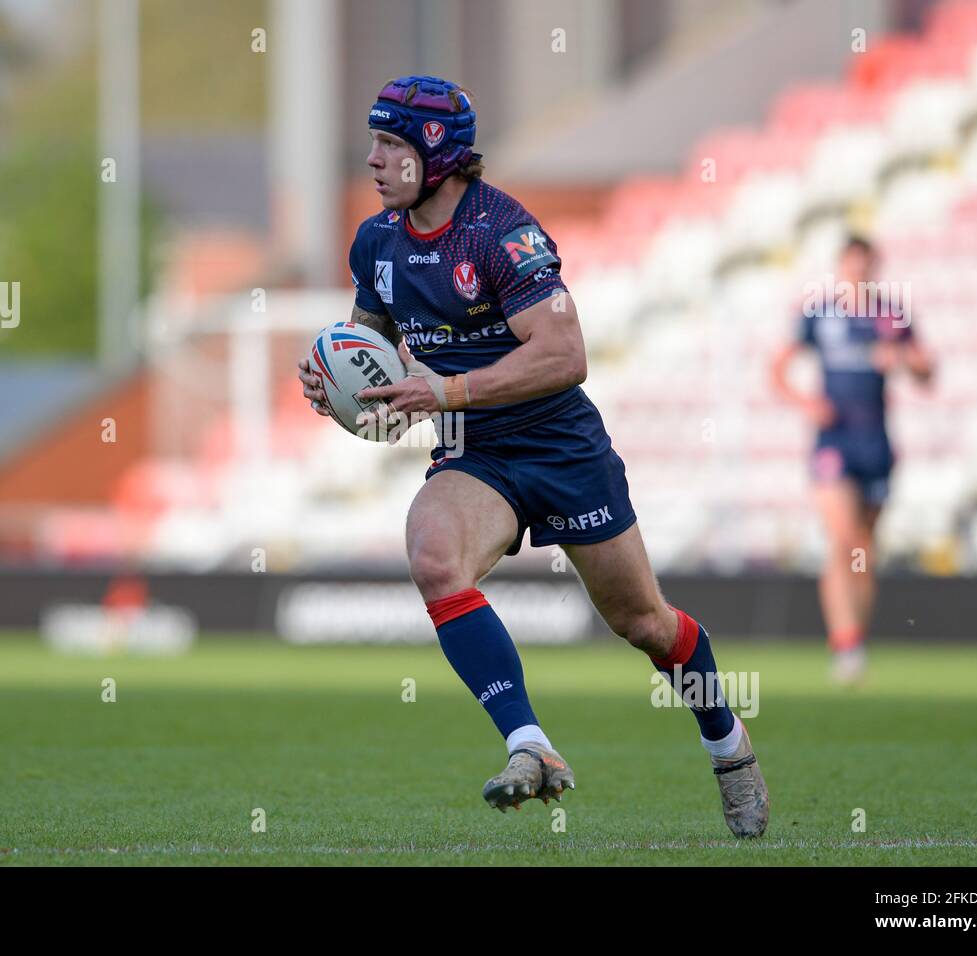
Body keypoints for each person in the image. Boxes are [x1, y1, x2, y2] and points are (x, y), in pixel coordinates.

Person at [298, 75, 768, 836]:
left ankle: (727, 742)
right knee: (433, 556)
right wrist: (336, 382)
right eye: (374, 142)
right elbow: (372, 351)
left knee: (643, 623)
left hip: (560, 446)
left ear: (434, 151)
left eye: (390, 144)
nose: (374, 159)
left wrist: (445, 391)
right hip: (476, 451)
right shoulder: (376, 240)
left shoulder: (501, 232)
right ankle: (531, 745)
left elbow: (565, 355)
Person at [770, 236, 934, 684]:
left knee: (863, 549)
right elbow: (777, 368)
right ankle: (844, 643)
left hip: (875, 443)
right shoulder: (819, 314)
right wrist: (808, 403)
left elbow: (927, 371)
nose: (858, 273)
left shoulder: (891, 316)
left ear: (875, 267)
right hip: (834, 442)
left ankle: (854, 640)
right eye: (851, 265)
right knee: (843, 539)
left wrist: (899, 359)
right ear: (841, 267)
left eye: (866, 265)